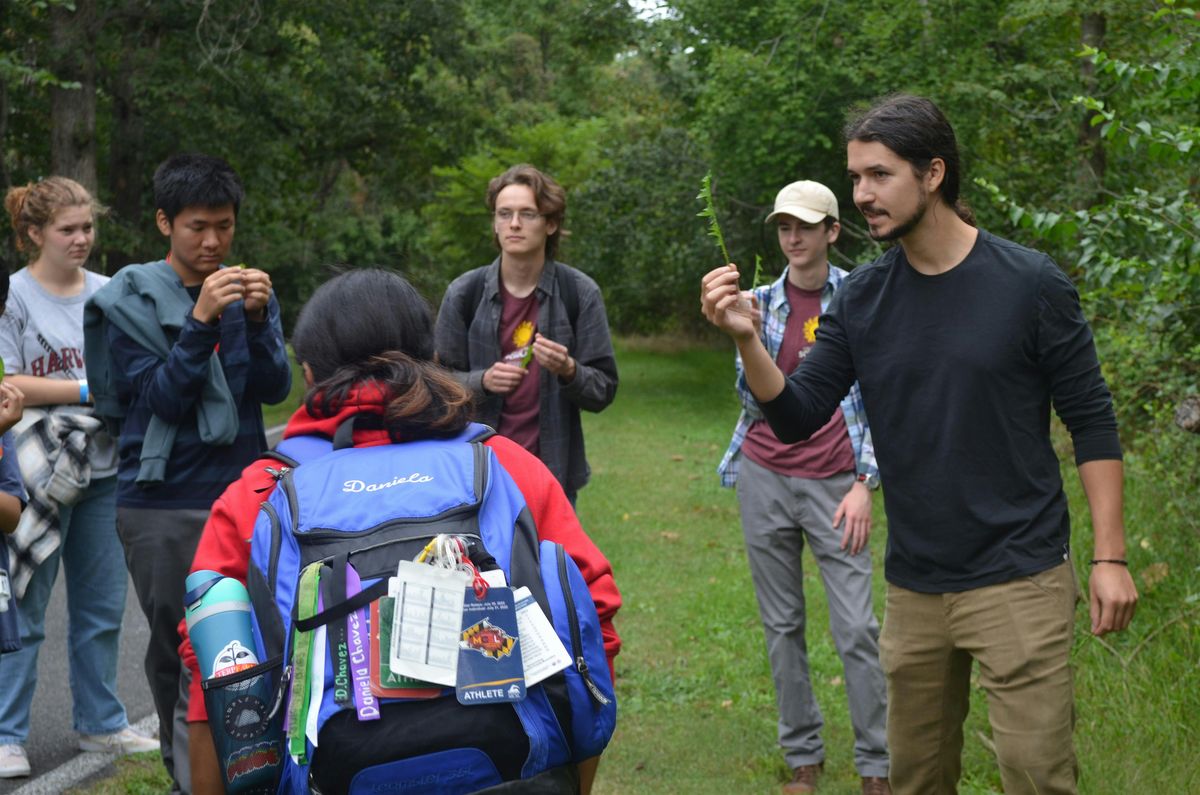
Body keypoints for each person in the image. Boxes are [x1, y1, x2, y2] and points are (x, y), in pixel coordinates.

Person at [701, 94, 1138, 795]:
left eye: (879, 175)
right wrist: (749, 339)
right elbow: (796, 412)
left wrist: (1110, 556)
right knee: (916, 780)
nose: (861, 195)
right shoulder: (863, 298)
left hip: (1020, 575)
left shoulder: (1030, 285)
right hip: (915, 587)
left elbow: (1091, 420)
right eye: (856, 178)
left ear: (933, 174)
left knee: (1036, 775)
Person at [177, 269, 621, 795]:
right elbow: (593, 623)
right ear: (429, 357)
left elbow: (218, 674)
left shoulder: (260, 492)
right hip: (512, 773)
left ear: (311, 371)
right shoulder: (503, 466)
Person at [83, 154, 292, 793]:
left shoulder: (245, 291)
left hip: (244, 491)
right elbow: (161, 403)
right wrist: (201, 322)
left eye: (224, 227)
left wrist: (256, 321)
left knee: (251, 642)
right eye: (197, 227)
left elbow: (274, 386)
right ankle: (188, 778)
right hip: (163, 502)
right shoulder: (130, 299)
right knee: (186, 650)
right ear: (163, 223)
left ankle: (257, 771)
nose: (212, 242)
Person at [717, 180, 889, 795]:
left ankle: (877, 765)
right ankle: (804, 758)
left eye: (807, 226)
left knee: (856, 628)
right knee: (782, 624)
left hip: (836, 484)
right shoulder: (757, 303)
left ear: (832, 232)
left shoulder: (862, 297)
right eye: (785, 226)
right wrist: (745, 334)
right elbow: (753, 399)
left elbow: (877, 398)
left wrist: (865, 482)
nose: (794, 237)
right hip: (764, 477)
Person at [0, 179, 159, 779]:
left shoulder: (110, 291)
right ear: (34, 233)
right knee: (26, 603)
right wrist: (91, 389)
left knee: (101, 605)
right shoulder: (12, 296)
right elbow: (9, 381)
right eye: (67, 229)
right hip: (33, 469)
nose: (81, 239)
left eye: (87, 227)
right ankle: (7, 734)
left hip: (104, 463)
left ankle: (101, 721)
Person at [435, 164, 618, 504]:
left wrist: (569, 370)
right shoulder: (465, 293)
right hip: (477, 473)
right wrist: (483, 381)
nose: (514, 224)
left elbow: (603, 390)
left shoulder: (579, 293)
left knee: (549, 560)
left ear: (550, 224)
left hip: (552, 476)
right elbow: (434, 386)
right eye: (504, 214)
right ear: (494, 222)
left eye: (527, 214)